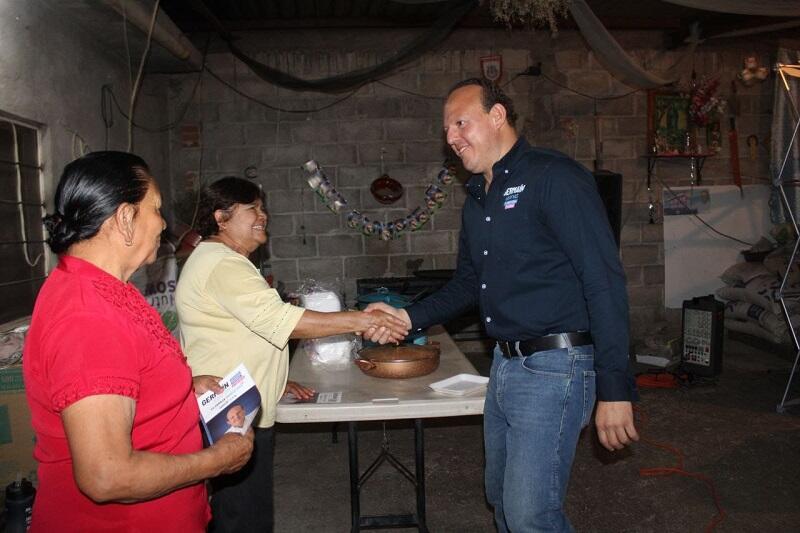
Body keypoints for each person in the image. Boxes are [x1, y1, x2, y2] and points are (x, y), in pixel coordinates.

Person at [367, 78, 640, 532]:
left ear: (497, 116)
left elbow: (604, 281)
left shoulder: (554, 177)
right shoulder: (479, 198)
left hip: (558, 364)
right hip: (504, 366)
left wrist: (615, 389)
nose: (452, 138)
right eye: (447, 130)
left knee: (531, 514)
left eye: (461, 123)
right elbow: (468, 285)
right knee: (501, 500)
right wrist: (407, 317)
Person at [22, 152, 253, 533]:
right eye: (156, 209)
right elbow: (107, 476)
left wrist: (182, 388)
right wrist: (217, 460)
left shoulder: (104, 287)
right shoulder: (87, 317)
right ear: (126, 218)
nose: (163, 224)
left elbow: (120, 375)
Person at [175, 176, 408, 533]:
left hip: (236, 402)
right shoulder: (223, 264)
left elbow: (242, 331)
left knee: (242, 510)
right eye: (251, 208)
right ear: (221, 218)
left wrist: (275, 379)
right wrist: (365, 319)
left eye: (263, 207)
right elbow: (283, 322)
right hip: (229, 415)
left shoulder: (217, 260)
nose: (262, 215)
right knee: (242, 518)